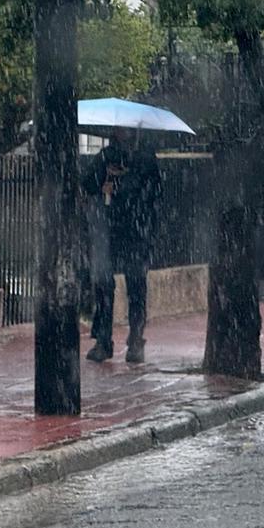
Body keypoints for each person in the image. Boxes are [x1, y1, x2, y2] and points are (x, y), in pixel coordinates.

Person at [82, 128, 162, 364]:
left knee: (136, 286)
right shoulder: (106, 156)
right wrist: (104, 181)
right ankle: (103, 340)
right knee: (104, 285)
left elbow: (151, 191)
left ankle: (136, 339)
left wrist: (121, 186)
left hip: (136, 231)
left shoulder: (145, 158)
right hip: (110, 230)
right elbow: (88, 184)